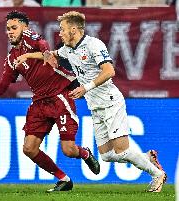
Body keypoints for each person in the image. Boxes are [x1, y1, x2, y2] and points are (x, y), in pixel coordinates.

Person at [42, 11, 167, 193]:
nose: (59, 33)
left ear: (74, 30)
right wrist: (36, 56)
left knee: (122, 151)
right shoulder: (68, 49)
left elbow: (109, 71)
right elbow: (52, 54)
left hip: (110, 102)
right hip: (96, 107)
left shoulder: (94, 45)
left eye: (62, 29)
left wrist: (85, 88)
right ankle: (147, 157)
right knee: (107, 155)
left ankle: (157, 175)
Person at [0, 11, 100, 192]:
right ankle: (64, 179)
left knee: (69, 150)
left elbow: (42, 42)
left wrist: (46, 53)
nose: (10, 32)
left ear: (24, 28)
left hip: (59, 95)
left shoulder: (30, 38)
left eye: (14, 28)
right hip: (39, 102)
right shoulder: (12, 58)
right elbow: (6, 80)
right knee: (29, 148)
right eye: (8, 29)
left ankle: (85, 153)